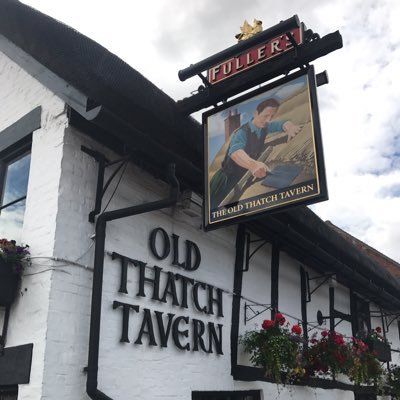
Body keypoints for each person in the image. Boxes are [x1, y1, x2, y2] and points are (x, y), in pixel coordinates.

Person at [209, 98, 302, 209]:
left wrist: (289, 127)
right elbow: (235, 153)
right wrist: (253, 165)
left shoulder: (264, 128)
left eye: (271, 117)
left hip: (241, 178)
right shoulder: (242, 132)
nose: (268, 120)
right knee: (215, 212)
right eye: (265, 116)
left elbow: (281, 124)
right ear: (256, 113)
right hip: (225, 181)